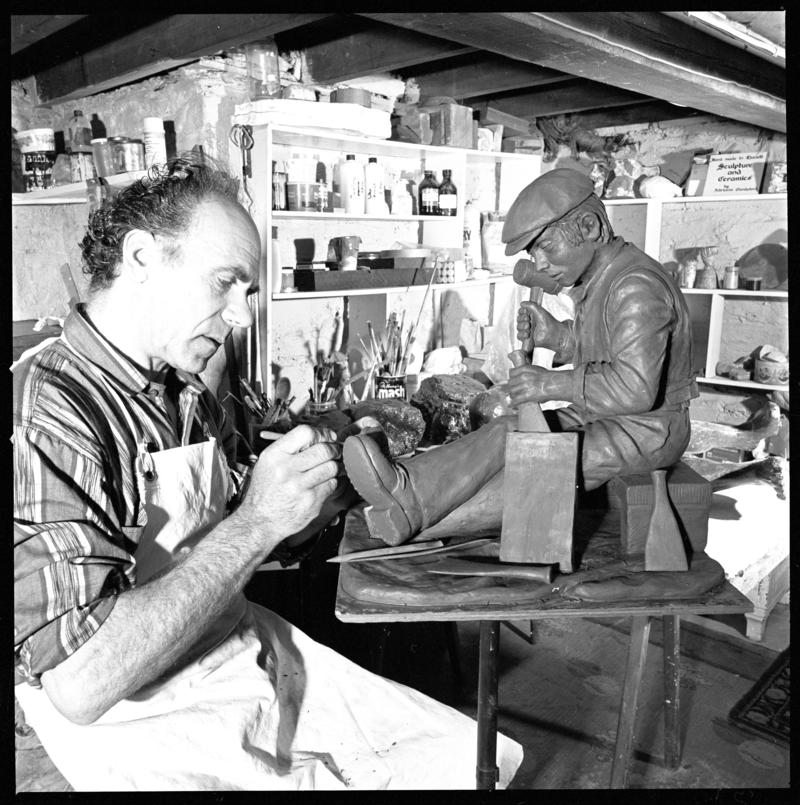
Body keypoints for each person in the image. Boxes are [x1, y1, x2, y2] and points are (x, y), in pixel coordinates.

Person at [13, 156, 523, 791]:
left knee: (458, 758)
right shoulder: (49, 408)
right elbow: (82, 683)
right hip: (133, 712)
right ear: (141, 256)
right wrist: (258, 521)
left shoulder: (184, 383)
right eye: (225, 282)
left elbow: (217, 535)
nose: (242, 316)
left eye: (248, 291)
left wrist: (307, 500)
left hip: (228, 647)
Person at [342, 168, 698, 546]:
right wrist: (558, 337)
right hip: (609, 413)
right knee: (506, 429)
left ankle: (417, 522)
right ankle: (408, 489)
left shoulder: (634, 287)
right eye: (534, 253)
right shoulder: (602, 280)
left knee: (539, 464)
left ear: (590, 227)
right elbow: (608, 349)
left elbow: (636, 389)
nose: (540, 264)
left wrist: (548, 384)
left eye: (547, 247)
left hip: (648, 429)